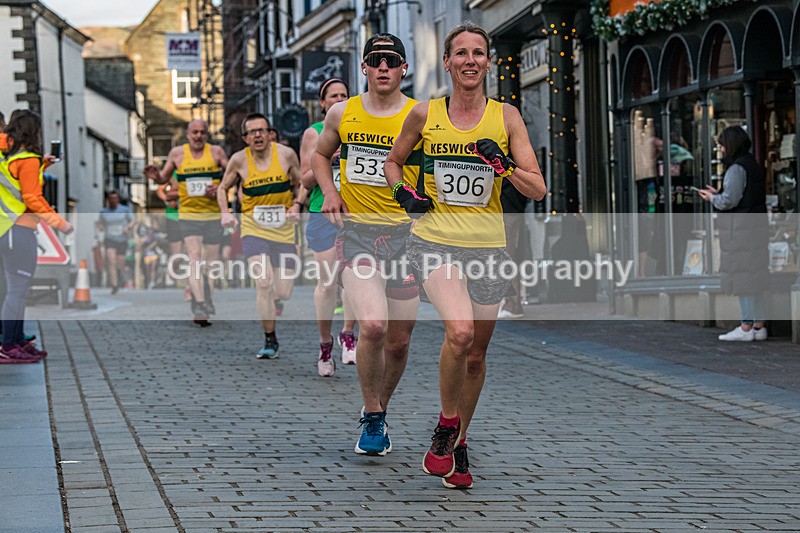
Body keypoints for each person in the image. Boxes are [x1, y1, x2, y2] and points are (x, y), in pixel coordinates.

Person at [384, 21, 546, 489]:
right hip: (435, 240)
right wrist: (403, 194)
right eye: (461, 53)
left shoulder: (507, 116)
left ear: (488, 62)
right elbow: (393, 162)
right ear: (449, 62)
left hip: (488, 248)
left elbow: (537, 188)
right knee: (459, 332)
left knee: (475, 356)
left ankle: (459, 444)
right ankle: (446, 425)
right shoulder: (425, 114)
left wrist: (506, 165)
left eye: (479, 52)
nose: (470, 60)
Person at [312, 33, 420, 456]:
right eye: (375, 60)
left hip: (407, 239)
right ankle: (373, 416)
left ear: (403, 68)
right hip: (357, 233)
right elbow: (322, 156)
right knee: (373, 325)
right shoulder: (343, 112)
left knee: (399, 340)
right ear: (364, 67)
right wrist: (330, 193)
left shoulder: (420, 114)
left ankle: (378, 407)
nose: (383, 67)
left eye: (391, 60)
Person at [218, 113, 301, 358]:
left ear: (270, 133)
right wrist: (225, 213)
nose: (257, 135)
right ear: (245, 138)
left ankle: (274, 301)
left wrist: (297, 204)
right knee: (263, 282)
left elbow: (301, 183)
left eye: (262, 130)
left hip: (284, 231)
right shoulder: (238, 161)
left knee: (283, 291)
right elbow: (223, 188)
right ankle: (270, 339)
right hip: (253, 229)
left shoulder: (286, 155)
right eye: (252, 132)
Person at [0, 110, 74, 363]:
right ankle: (9, 345)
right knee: (17, 290)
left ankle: (15, 340)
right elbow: (32, 197)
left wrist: (44, 163)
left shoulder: (12, 158)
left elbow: (18, 177)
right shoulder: (27, 159)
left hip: (10, 230)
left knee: (17, 290)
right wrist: (59, 223)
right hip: (18, 229)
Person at [300, 77, 358, 377]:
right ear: (323, 103)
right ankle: (325, 343)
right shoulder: (315, 133)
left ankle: (348, 334)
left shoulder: (359, 127)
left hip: (354, 213)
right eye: (333, 96)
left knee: (353, 278)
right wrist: (330, 159)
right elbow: (305, 180)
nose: (339, 99)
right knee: (328, 282)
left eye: (344, 95)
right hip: (323, 213)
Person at [148, 120, 228, 326]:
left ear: (207, 134)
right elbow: (163, 178)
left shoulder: (217, 153)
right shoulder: (177, 154)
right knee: (193, 257)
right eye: (195, 132)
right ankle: (199, 303)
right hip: (188, 214)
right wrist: (155, 176)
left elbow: (231, 176)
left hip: (212, 214)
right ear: (188, 134)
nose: (199, 136)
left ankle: (207, 296)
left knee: (211, 262)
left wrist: (220, 189)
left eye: (203, 132)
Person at [698, 126, 769, 341]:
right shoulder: (753, 165)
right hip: (755, 227)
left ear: (731, 145)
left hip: (740, 230)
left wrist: (712, 198)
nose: (720, 149)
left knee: (743, 277)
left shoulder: (736, 168)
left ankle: (746, 326)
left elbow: (730, 200)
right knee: (755, 275)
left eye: (722, 145)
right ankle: (758, 325)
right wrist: (719, 193)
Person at [497, 179, 530, 318]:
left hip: (507, 210)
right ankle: (511, 302)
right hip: (509, 209)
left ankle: (512, 304)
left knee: (507, 256)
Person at [152, 166, 186, 293]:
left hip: (191, 216)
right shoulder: (173, 174)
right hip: (174, 217)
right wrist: (168, 200)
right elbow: (160, 190)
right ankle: (170, 276)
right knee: (177, 256)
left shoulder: (194, 172)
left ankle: (189, 282)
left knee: (190, 252)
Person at [97, 190, 134, 294]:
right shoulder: (104, 211)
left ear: (118, 199)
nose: (113, 200)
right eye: (111, 199)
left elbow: (133, 220)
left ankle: (118, 274)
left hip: (122, 239)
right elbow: (100, 223)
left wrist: (128, 227)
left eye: (115, 198)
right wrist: (100, 228)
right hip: (109, 238)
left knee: (120, 263)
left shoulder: (125, 210)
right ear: (108, 200)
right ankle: (114, 284)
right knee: (111, 260)